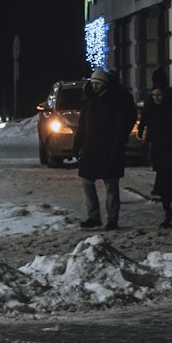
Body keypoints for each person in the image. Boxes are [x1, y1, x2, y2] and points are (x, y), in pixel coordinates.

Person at [73, 66, 126, 230]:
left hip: (108, 149)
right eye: (93, 83)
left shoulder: (114, 101)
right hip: (90, 149)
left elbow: (119, 127)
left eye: (98, 84)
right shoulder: (89, 101)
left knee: (111, 185)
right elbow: (82, 126)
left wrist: (116, 147)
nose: (95, 86)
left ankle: (112, 219)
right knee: (88, 183)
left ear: (104, 84)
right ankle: (93, 216)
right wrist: (77, 145)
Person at [137, 68, 172, 228]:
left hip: (170, 146)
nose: (156, 98)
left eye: (158, 95)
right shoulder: (168, 98)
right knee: (166, 180)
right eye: (154, 95)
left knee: (165, 180)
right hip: (162, 146)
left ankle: (170, 213)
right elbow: (146, 116)